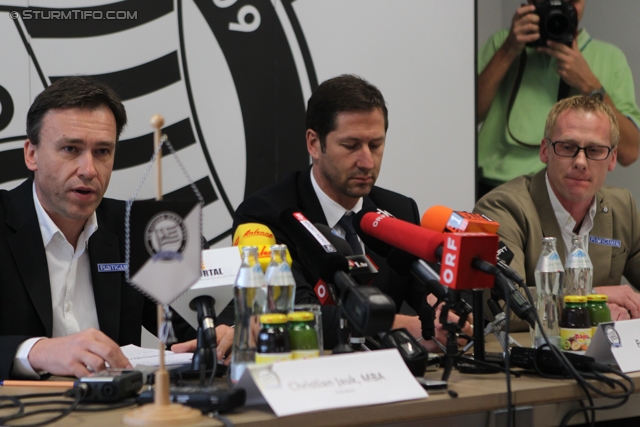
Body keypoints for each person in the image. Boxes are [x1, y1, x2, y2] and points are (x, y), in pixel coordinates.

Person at [0, 76, 232, 381]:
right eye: (71, 149)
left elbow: (198, 319)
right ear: (31, 154)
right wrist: (36, 352)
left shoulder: (136, 229)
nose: (88, 170)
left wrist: (225, 331)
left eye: (102, 152)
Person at [233, 74, 470, 351]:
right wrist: (408, 325)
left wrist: (445, 311)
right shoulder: (268, 215)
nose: (367, 161)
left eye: (376, 145)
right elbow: (293, 316)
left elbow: (428, 293)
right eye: (351, 146)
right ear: (313, 144)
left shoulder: (398, 211)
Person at [474, 95, 640, 329]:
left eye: (594, 150)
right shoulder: (503, 208)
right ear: (545, 151)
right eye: (567, 147)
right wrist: (595, 302)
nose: (581, 161)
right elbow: (504, 305)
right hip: (531, 358)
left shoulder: (622, 207)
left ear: (612, 159)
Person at [477, 0, 640, 196]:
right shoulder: (503, 43)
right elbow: (465, 118)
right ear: (530, 3)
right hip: (496, 190)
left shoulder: (610, 58)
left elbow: (629, 152)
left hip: (568, 198)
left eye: (571, 2)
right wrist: (509, 49)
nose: (560, 8)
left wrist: (591, 86)